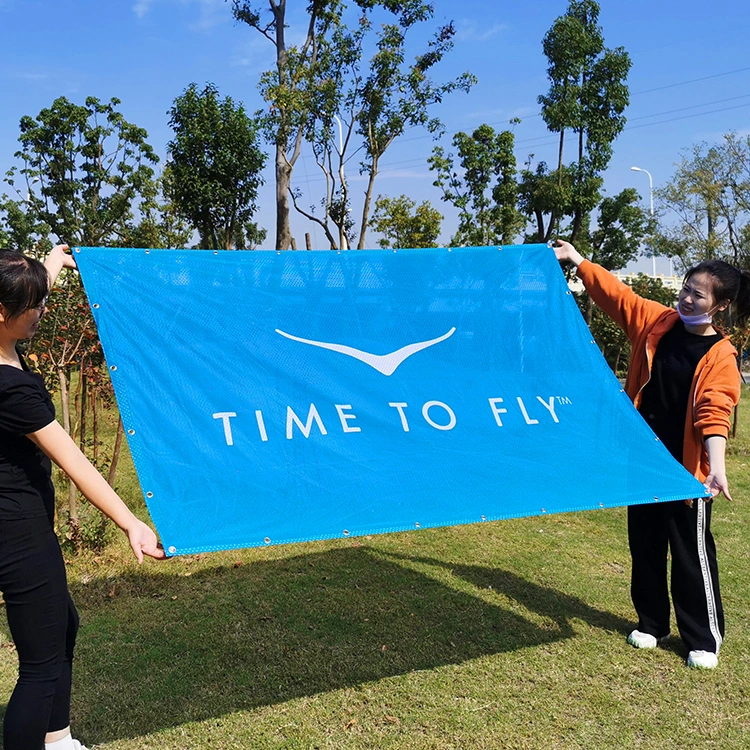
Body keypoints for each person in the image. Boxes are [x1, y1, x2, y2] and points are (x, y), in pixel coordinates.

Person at [554, 239, 747, 671]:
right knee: (644, 545)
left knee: (690, 552)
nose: (685, 297)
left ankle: (703, 638)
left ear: (720, 306)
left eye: (697, 294)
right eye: (685, 288)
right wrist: (578, 261)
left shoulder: (722, 356)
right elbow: (618, 296)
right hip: (641, 461)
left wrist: (715, 469)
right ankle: (652, 623)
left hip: (685, 472)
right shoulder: (657, 323)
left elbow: (713, 413)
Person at [0, 244, 164, 750]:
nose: (41, 312)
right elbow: (76, 464)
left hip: (11, 524)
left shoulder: (2, 347)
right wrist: (129, 522)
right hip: (20, 534)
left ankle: (58, 737)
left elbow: (26, 293)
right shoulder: (12, 390)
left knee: (62, 625)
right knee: (41, 666)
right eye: (35, 307)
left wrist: (50, 264)